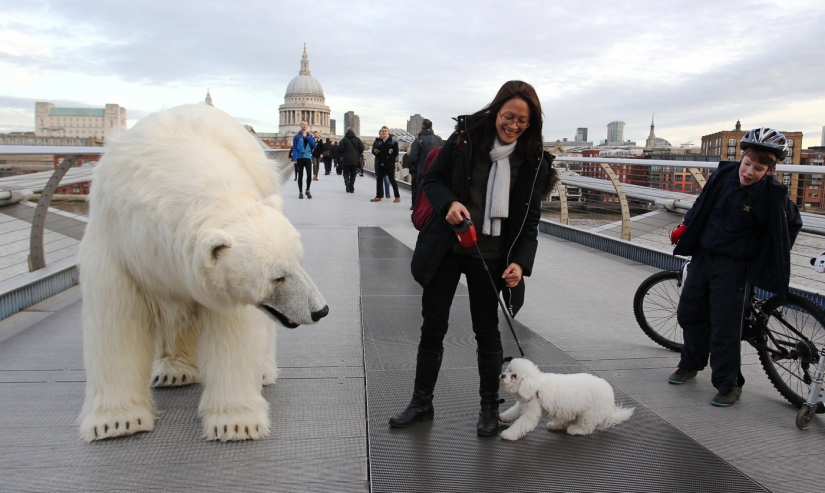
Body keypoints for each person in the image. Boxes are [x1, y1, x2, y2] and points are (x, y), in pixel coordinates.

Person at [389, 81, 557, 436]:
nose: (513, 126)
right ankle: (421, 402)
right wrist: (449, 203)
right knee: (432, 327)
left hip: (492, 253)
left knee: (487, 332)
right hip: (447, 248)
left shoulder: (534, 160)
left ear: (532, 123)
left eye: (522, 122)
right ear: (496, 110)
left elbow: (530, 220)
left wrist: (521, 264)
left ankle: (488, 408)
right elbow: (431, 181)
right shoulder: (465, 139)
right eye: (508, 116)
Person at [668, 127, 802, 407]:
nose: (749, 171)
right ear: (741, 158)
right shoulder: (724, 174)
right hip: (705, 255)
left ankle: (729, 384)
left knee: (724, 327)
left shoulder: (772, 195)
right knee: (690, 313)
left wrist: (768, 257)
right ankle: (690, 364)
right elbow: (703, 203)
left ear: (769, 170)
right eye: (748, 164)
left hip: (735, 266)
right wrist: (686, 224)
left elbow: (790, 225)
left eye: (759, 168)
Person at [407, 119, 443, 210]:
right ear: (431, 127)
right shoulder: (438, 139)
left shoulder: (418, 140)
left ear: (422, 127)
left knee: (419, 191)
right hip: (436, 170)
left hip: (421, 170)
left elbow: (412, 158)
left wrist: (413, 170)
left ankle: (417, 208)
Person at [370, 126, 401, 203]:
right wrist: (375, 152)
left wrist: (389, 157)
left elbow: (395, 153)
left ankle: (397, 196)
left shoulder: (393, 142)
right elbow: (373, 151)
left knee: (392, 180)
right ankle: (378, 196)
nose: (384, 132)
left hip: (389, 164)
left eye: (385, 131)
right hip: (380, 163)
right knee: (379, 180)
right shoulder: (378, 142)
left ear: (388, 132)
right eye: (382, 131)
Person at [291, 121, 316, 198]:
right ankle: (300, 192)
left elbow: (314, 146)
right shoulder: (296, 137)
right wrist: (294, 158)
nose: (304, 126)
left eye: (305, 124)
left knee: (309, 175)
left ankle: (307, 190)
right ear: (300, 125)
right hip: (299, 157)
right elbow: (294, 148)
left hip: (307, 157)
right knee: (300, 175)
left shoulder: (310, 137)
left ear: (307, 126)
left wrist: (307, 138)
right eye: (303, 124)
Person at [338, 127, 364, 193]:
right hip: (355, 159)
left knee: (346, 173)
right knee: (353, 174)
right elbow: (362, 148)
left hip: (346, 159)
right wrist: (358, 152)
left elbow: (340, 149)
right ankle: (351, 187)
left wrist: (343, 153)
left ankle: (347, 184)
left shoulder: (344, 140)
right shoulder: (357, 139)